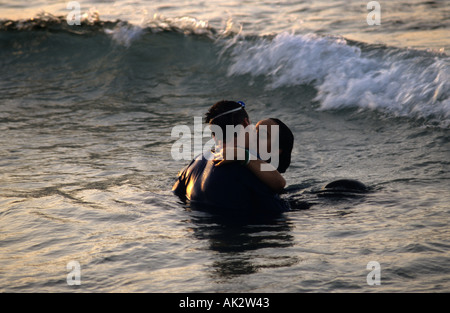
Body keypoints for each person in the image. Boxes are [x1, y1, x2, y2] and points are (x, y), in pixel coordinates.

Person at [172, 100, 294, 215]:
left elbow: (176, 195)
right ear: (246, 123)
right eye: (254, 130)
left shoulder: (196, 162)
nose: (253, 135)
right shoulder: (244, 168)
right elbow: (279, 208)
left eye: (261, 134)